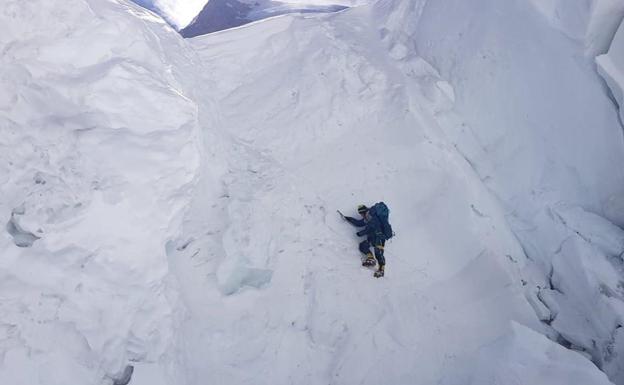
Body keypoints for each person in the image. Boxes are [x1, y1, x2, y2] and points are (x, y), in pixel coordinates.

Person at [342, 204, 386, 278]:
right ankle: (371, 259)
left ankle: (381, 270)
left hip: (379, 237)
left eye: (361, 213)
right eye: (360, 214)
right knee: (363, 246)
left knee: (378, 253)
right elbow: (359, 223)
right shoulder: (366, 218)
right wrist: (348, 218)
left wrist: (361, 233)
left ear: (364, 211)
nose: (361, 215)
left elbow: (371, 227)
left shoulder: (372, 217)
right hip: (372, 237)